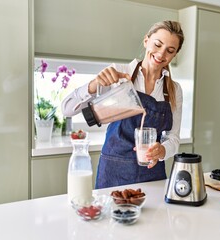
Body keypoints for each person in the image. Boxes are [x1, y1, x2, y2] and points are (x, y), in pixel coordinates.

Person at [61, 20, 184, 189]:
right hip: (113, 172)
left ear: (174, 55)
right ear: (146, 41)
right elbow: (67, 109)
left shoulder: (173, 89)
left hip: (152, 174)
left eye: (170, 51)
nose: (161, 54)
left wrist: (162, 151)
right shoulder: (119, 73)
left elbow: (173, 138)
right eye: (157, 44)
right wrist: (94, 84)